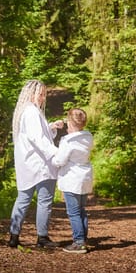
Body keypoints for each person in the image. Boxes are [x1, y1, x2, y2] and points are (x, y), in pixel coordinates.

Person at [8, 80, 64, 248]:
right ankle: (42, 237)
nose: (42, 98)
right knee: (44, 200)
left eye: (44, 94)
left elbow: (39, 134)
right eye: (40, 94)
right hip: (40, 164)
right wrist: (57, 153)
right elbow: (38, 138)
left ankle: (14, 236)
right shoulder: (32, 112)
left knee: (23, 199)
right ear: (30, 94)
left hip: (29, 164)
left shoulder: (28, 112)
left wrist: (52, 126)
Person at [52, 108, 94, 254]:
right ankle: (83, 239)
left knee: (73, 213)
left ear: (70, 122)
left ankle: (79, 242)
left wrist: (53, 157)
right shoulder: (88, 138)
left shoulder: (68, 141)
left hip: (72, 179)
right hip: (84, 177)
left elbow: (59, 160)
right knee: (81, 210)